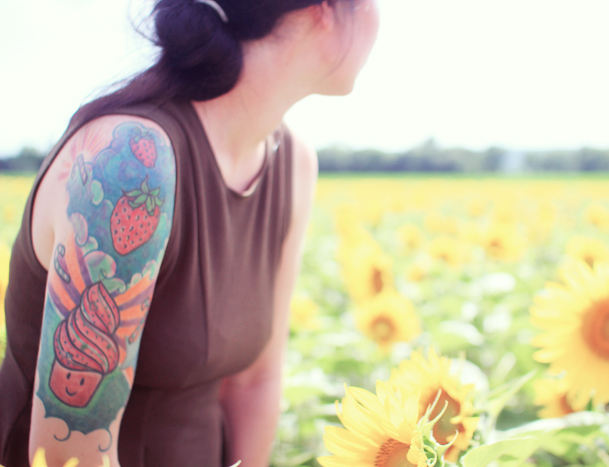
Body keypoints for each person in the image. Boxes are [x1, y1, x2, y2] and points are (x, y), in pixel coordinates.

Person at [0, 0, 379, 466]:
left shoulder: (293, 163)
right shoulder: (129, 165)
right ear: (325, 9)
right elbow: (66, 454)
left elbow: (254, 380)